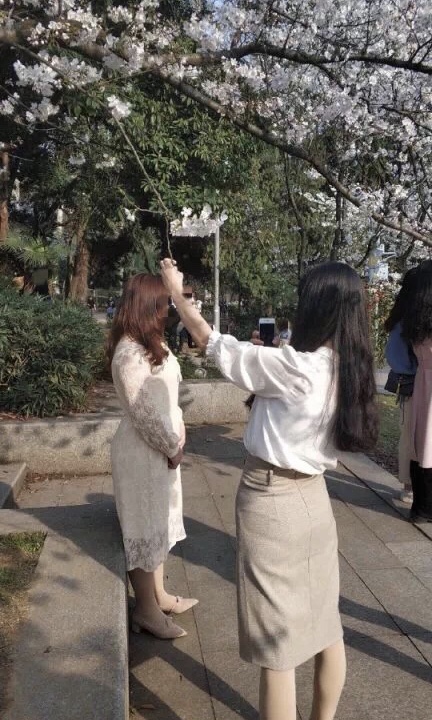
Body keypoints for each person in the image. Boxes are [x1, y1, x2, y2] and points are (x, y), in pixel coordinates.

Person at [161, 258, 378, 720]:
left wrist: (177, 294)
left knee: (277, 647)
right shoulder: (347, 369)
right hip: (315, 501)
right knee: (326, 627)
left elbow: (213, 343)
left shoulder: (294, 367)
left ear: (316, 307)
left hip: (271, 500)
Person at [106, 273, 198, 640]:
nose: (167, 310)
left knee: (159, 524)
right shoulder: (128, 353)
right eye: (163, 303)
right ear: (147, 305)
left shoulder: (149, 343)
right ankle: (145, 609)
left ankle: (158, 596)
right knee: (143, 528)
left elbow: (168, 398)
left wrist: (179, 431)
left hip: (161, 449)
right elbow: (143, 413)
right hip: (143, 453)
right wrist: (173, 447)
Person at [401, 260, 432, 522]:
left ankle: (421, 507)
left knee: (421, 442)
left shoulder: (415, 322)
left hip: (423, 382)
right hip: (425, 382)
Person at [384, 269, 418, 503]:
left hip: (414, 383)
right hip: (413, 385)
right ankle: (409, 485)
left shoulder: (404, 317)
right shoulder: (405, 320)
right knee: (410, 435)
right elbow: (396, 357)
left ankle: (411, 485)